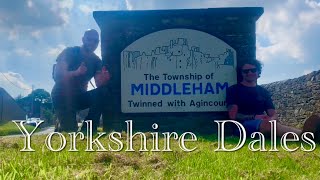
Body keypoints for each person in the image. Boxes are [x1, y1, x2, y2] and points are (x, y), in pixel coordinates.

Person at [226, 59, 320, 139]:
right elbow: (233, 116)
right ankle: (304, 136)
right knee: (268, 125)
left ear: (258, 72)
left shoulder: (263, 92)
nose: (250, 73)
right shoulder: (234, 90)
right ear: (241, 73)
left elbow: (273, 114)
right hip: (242, 126)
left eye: (253, 70)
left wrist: (272, 119)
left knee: (271, 124)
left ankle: (306, 134)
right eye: (246, 71)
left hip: (264, 123)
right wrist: (253, 117)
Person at [51, 29, 110, 132]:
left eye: (95, 41)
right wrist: (76, 73)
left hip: (78, 97)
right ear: (83, 40)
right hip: (62, 96)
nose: (92, 43)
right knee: (70, 132)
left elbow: (98, 84)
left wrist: (104, 79)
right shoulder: (70, 52)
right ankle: (62, 125)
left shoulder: (97, 61)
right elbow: (57, 75)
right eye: (89, 39)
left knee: (104, 91)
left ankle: (89, 129)